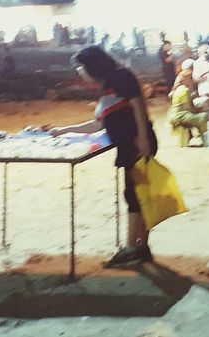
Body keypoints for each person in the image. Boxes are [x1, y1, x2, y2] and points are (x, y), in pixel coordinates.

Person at [52, 46, 159, 266]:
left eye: (81, 67)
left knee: (135, 195)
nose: (80, 72)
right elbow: (98, 124)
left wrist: (143, 138)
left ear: (93, 65)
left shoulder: (120, 76)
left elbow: (138, 105)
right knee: (137, 194)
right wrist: (63, 130)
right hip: (129, 144)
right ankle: (141, 247)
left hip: (137, 144)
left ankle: (132, 248)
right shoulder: (108, 84)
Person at [167, 64, 208, 145]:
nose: (192, 80)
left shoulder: (178, 89)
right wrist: (198, 111)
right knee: (203, 117)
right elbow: (188, 109)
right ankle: (206, 140)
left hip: (175, 115)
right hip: (180, 116)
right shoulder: (184, 91)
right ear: (186, 79)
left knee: (200, 116)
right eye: (190, 78)